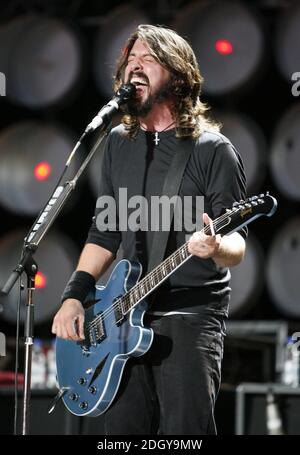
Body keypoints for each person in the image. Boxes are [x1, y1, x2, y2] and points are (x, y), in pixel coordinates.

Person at [52, 24, 247, 435]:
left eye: (148, 60)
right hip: (122, 319)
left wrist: (214, 247)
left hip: (189, 317)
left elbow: (237, 243)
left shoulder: (213, 151)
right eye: (130, 61)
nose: (134, 69)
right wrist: (74, 296)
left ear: (177, 76)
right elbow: (105, 233)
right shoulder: (118, 143)